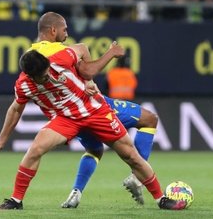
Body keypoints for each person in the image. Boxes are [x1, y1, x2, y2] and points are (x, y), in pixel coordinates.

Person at [0, 20, 186, 211]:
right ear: (30, 76)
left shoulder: (60, 57)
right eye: (42, 77)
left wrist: (89, 80)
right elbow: (15, 109)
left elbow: (82, 48)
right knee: (35, 149)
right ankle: (15, 200)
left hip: (94, 109)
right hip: (66, 118)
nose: (47, 77)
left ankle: (161, 199)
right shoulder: (24, 85)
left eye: (47, 72)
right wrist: (0, 142)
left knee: (130, 155)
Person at [32, 11, 158, 207]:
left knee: (95, 149)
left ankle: (76, 192)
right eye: (64, 30)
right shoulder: (60, 50)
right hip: (96, 106)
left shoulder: (36, 55)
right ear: (53, 31)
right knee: (150, 119)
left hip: (73, 114)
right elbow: (87, 68)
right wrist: (111, 53)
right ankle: (137, 176)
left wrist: (87, 80)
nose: (67, 33)